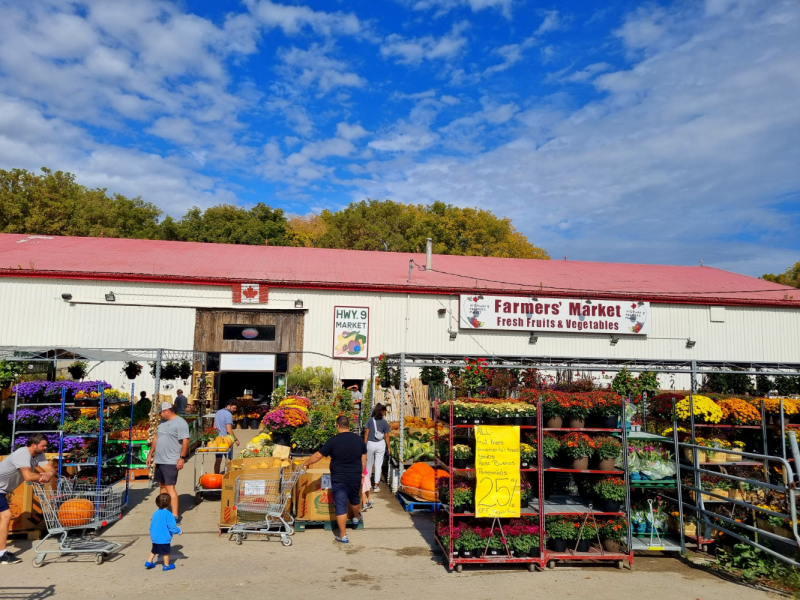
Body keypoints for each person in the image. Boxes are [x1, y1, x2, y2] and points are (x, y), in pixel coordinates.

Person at [303, 415, 366, 544]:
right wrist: (361, 473)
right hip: (354, 475)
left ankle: (343, 535)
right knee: (355, 498)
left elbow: (317, 456)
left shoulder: (333, 441)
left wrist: (306, 463)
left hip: (339, 477)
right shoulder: (359, 440)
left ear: (337, 426)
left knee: (341, 504)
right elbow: (363, 458)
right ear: (349, 426)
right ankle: (356, 517)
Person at [0, 434, 55, 565]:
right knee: (6, 516)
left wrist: (48, 474)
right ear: (33, 445)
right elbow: (28, 476)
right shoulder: (22, 454)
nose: (45, 448)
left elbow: (50, 470)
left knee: (4, 517)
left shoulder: (39, 454)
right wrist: (43, 476)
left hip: (2, 490)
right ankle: (2, 554)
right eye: (43, 445)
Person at [146, 402, 190, 523]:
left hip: (171, 460)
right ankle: (163, 513)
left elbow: (185, 441)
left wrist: (181, 458)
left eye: (160, 412)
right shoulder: (162, 422)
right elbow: (156, 437)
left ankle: (175, 516)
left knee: (170, 487)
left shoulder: (180, 423)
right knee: (162, 486)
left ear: (166, 410)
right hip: (159, 460)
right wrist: (150, 454)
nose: (159, 415)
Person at [145, 493, 182, 571]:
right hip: (163, 537)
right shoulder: (169, 514)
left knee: (154, 550)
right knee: (166, 552)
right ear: (169, 503)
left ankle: (149, 561)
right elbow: (171, 527)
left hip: (155, 537)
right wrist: (179, 531)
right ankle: (166, 565)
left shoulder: (155, 513)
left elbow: (152, 525)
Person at [364, 403, 390, 493]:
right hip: (380, 444)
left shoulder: (370, 420)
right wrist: (389, 447)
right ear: (382, 411)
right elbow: (386, 436)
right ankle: (376, 485)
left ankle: (367, 484)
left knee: (369, 464)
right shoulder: (384, 422)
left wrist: (364, 445)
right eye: (384, 411)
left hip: (370, 443)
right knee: (378, 465)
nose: (385, 413)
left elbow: (366, 433)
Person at [214, 399, 240, 474]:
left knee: (218, 459)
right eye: (233, 408)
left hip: (218, 439)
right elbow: (229, 430)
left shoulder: (218, 412)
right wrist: (236, 439)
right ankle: (228, 476)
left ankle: (216, 475)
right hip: (226, 440)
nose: (234, 410)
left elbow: (214, 426)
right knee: (228, 459)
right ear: (228, 406)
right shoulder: (228, 415)